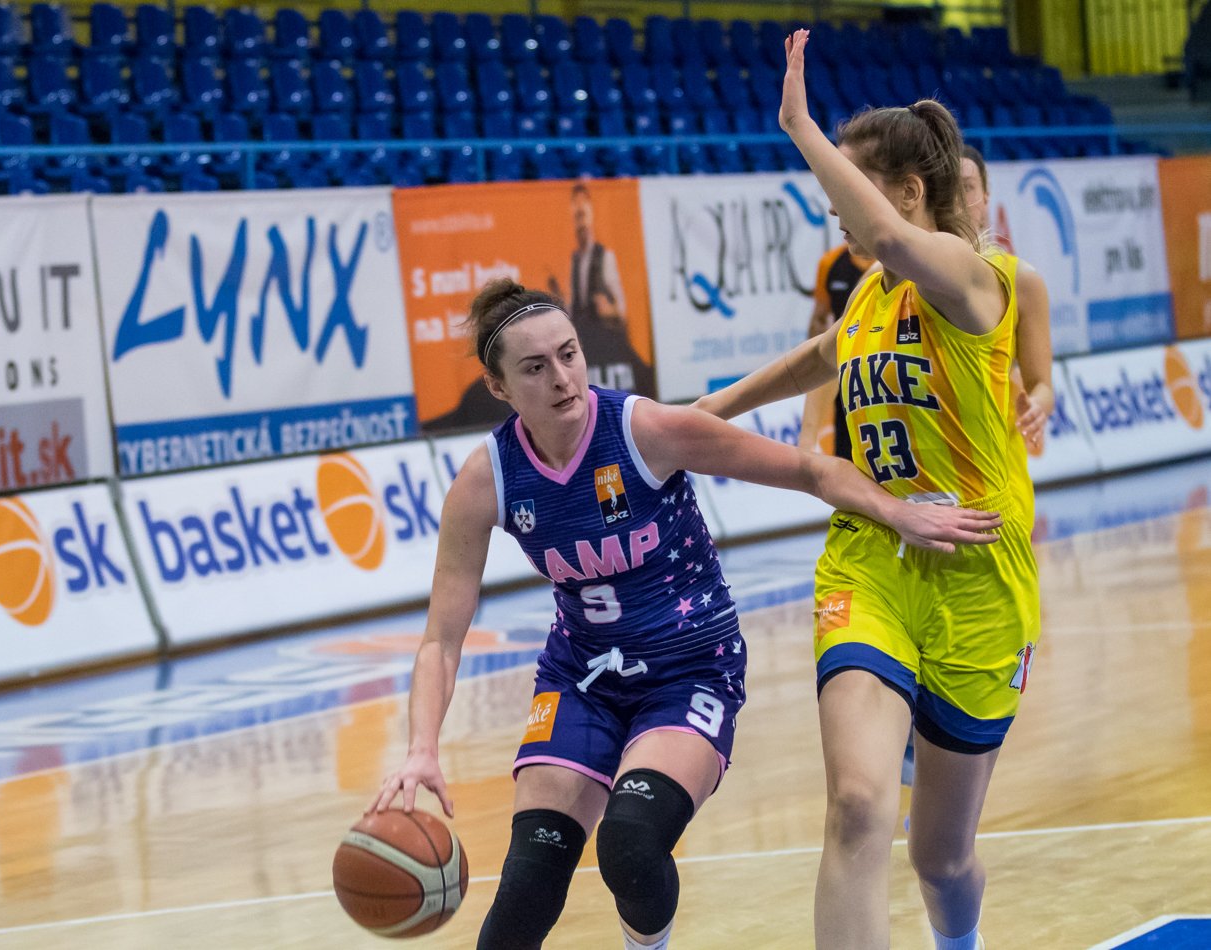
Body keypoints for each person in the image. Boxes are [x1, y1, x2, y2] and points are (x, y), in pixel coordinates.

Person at [369, 277, 1001, 950]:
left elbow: (811, 471)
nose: (561, 377)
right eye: (534, 367)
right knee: (527, 886)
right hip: (581, 676)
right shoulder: (486, 478)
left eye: (569, 354)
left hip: (690, 669)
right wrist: (421, 748)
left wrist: (897, 510)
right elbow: (441, 640)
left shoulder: (646, 430)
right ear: (498, 387)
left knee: (630, 844)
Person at [695, 31, 1041, 950]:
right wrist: (708, 411)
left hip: (978, 576)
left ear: (908, 192)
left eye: (848, 188)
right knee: (856, 803)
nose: (837, 217)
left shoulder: (975, 280)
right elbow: (819, 355)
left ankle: (957, 941)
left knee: (941, 860)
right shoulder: (869, 294)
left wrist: (800, 128)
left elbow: (885, 235)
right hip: (872, 561)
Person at [960, 143, 1055, 465]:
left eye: (967, 187)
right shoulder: (900, 275)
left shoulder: (1021, 280)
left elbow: (1042, 386)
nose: (958, 200)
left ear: (986, 196)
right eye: (947, 187)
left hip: (997, 463)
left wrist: (1037, 407)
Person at [548, 182, 656, 396]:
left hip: (607, 346)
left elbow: (621, 311)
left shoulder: (605, 257)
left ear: (591, 215)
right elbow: (574, 309)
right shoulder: (574, 261)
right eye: (576, 215)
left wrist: (609, 310)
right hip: (585, 344)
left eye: (583, 214)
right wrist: (560, 301)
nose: (580, 221)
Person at [798, 242, 875, 457]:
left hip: (881, 373)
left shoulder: (889, 266)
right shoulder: (831, 262)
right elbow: (820, 323)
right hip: (846, 373)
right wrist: (807, 437)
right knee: (846, 453)